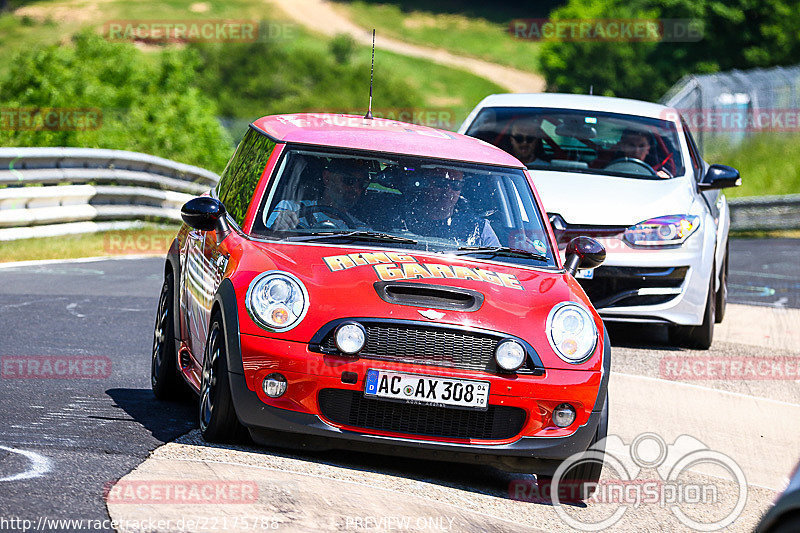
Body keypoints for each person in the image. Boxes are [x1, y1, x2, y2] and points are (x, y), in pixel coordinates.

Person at [399, 168, 500, 247]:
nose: (448, 190)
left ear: (461, 189)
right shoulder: (399, 218)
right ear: (425, 184)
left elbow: (498, 263)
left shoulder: (478, 228)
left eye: (456, 185)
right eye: (441, 183)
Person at [267, 159, 371, 230]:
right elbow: (267, 244)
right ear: (327, 177)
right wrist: (278, 226)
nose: (356, 189)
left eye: (362, 184)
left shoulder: (361, 230)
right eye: (349, 181)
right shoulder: (289, 209)